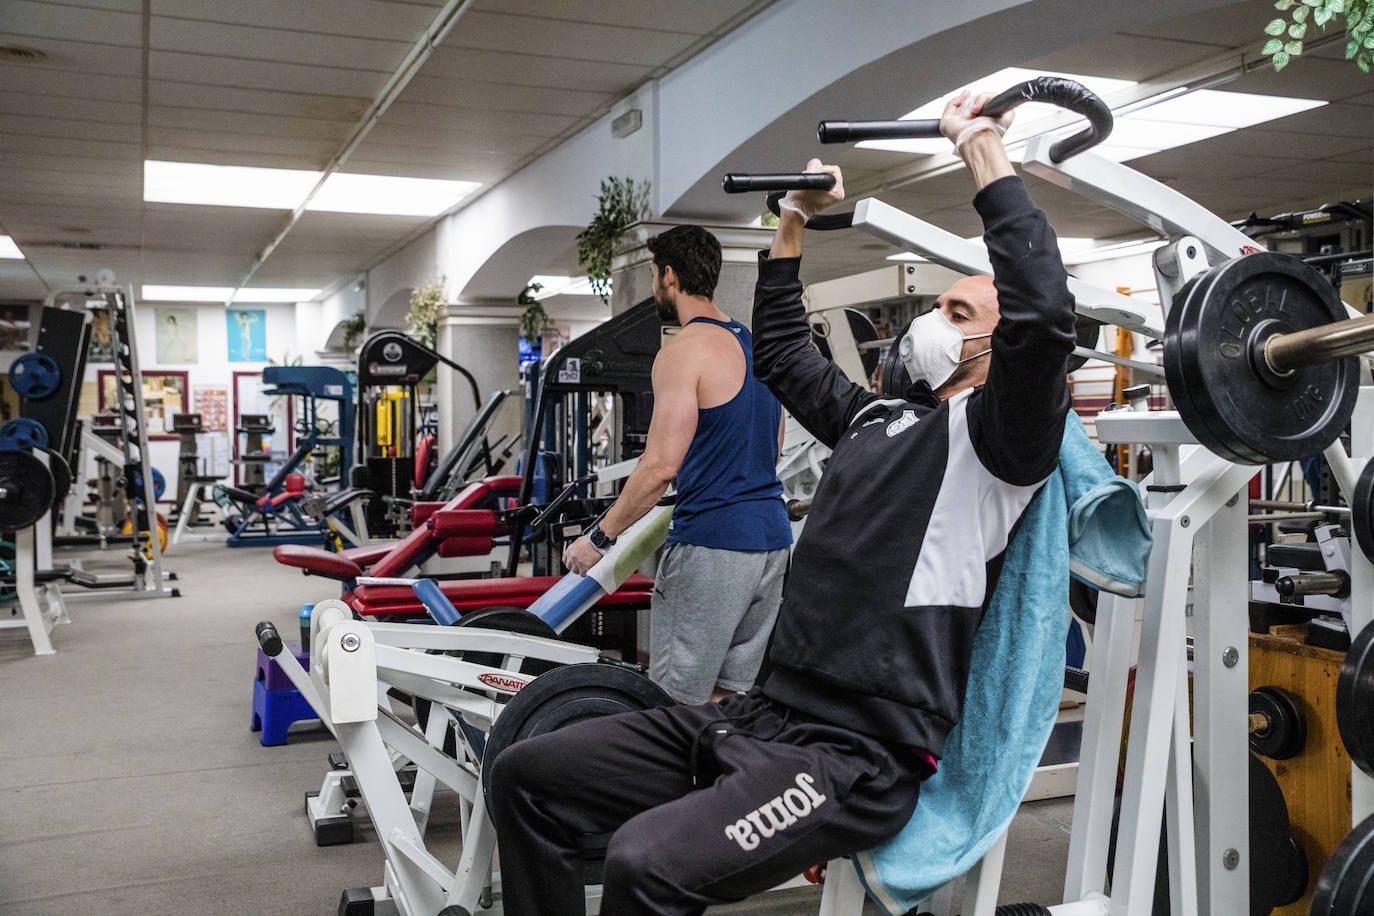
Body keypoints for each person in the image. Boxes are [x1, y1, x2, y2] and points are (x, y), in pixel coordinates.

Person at [488, 91, 1077, 916]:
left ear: (994, 346)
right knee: (524, 775)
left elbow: (1046, 319)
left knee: (643, 862)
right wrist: (792, 220)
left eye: (956, 311)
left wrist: (981, 150)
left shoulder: (998, 448)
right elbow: (781, 352)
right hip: (765, 715)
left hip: (854, 758)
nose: (931, 322)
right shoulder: (877, 419)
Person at [560, 224, 792, 705]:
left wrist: (597, 540)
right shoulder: (755, 346)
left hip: (713, 544)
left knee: (672, 701)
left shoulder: (682, 352)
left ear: (668, 276)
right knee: (730, 697)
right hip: (771, 543)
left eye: (652, 275)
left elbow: (661, 466)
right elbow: (774, 445)